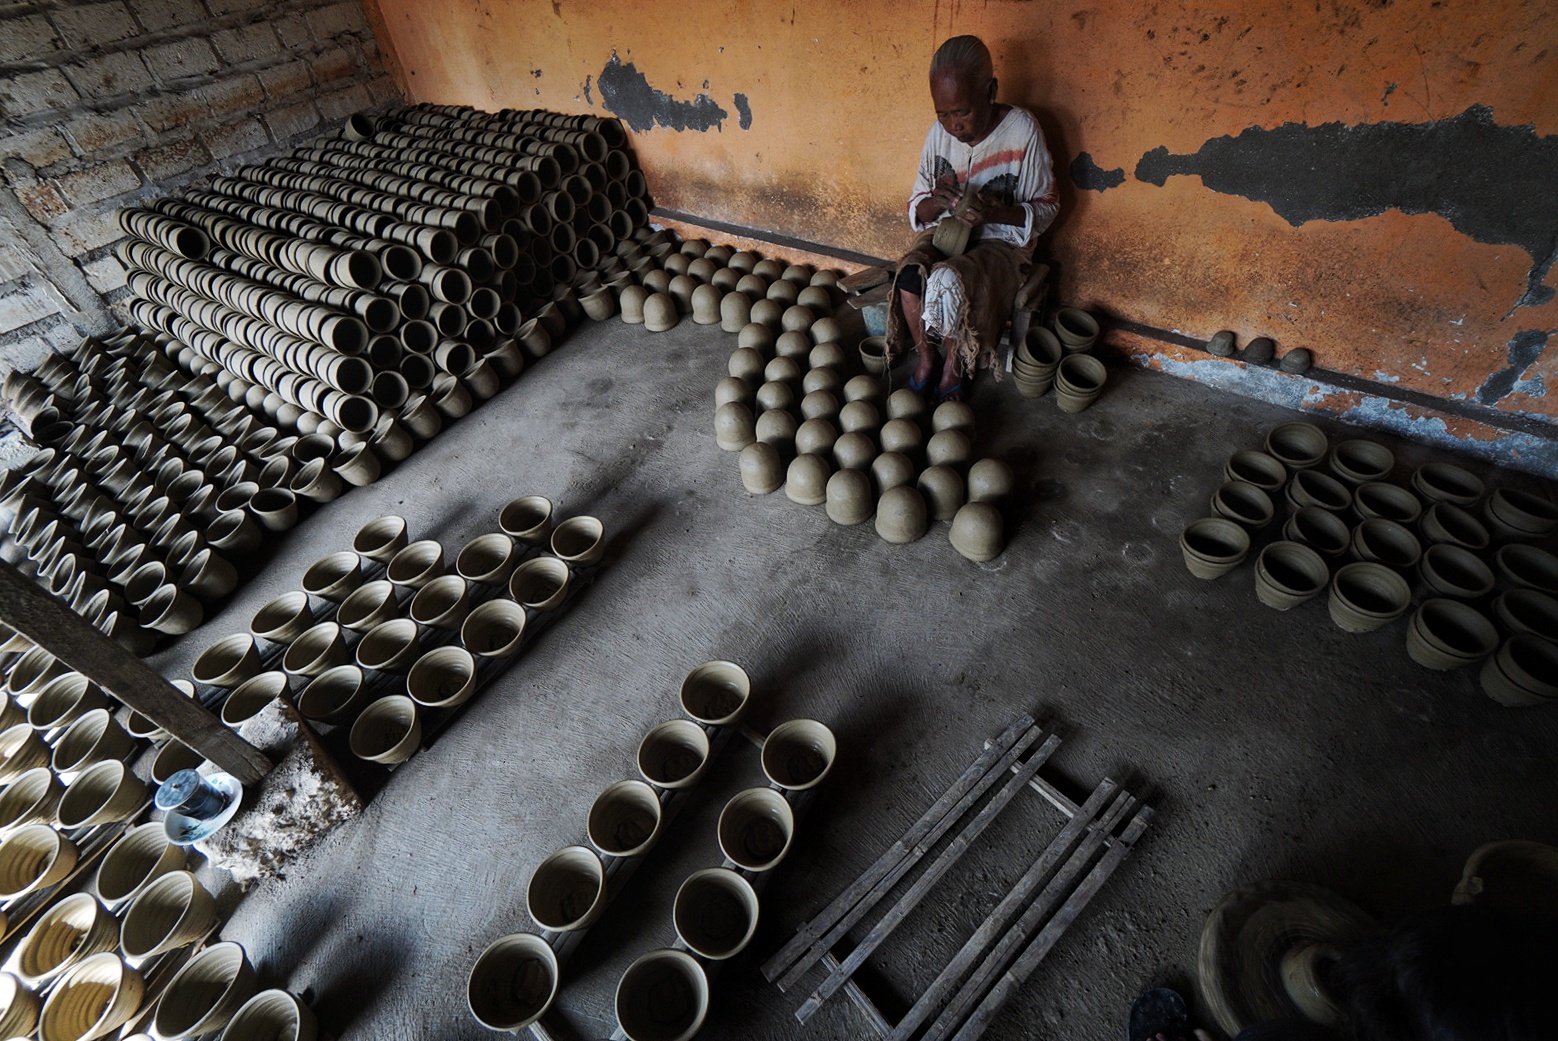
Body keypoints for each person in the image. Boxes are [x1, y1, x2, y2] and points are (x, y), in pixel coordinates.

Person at [886, 35, 1059, 403]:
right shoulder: (938, 135)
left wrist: (995, 212)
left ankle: (955, 365)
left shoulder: (1023, 131)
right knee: (911, 276)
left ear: (991, 91)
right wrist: (934, 202)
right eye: (942, 114)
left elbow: (1047, 207)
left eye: (962, 112)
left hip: (1002, 243)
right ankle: (927, 359)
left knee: (950, 280)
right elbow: (917, 209)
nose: (953, 126)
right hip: (947, 234)